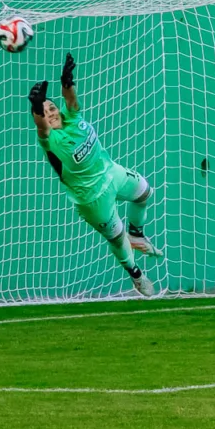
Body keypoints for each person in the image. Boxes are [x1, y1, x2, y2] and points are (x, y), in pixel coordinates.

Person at [28, 53, 163, 296]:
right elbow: (41, 126)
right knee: (116, 238)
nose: (51, 112)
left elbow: (70, 100)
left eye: (52, 107)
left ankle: (137, 233)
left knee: (144, 192)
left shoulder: (73, 118)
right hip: (92, 198)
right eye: (45, 111)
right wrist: (36, 105)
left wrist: (67, 81)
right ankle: (136, 274)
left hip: (111, 173)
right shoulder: (50, 141)